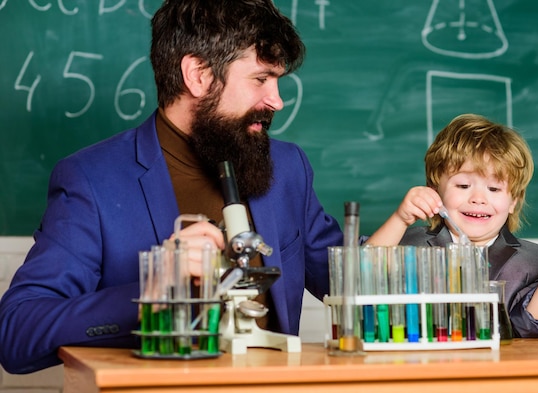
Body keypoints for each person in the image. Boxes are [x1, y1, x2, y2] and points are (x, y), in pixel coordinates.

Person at [0, 0, 343, 374]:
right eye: (260, 79)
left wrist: (408, 231)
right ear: (198, 74)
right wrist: (154, 292)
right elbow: (16, 333)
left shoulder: (288, 167)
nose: (277, 100)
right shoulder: (92, 179)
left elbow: (343, 282)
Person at [366, 113, 538, 338]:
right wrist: (399, 219)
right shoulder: (405, 245)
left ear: (513, 201)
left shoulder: (536, 263)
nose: (478, 198)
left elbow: (534, 326)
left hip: (498, 371)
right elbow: (357, 281)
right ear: (434, 190)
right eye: (463, 185)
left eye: (494, 189)